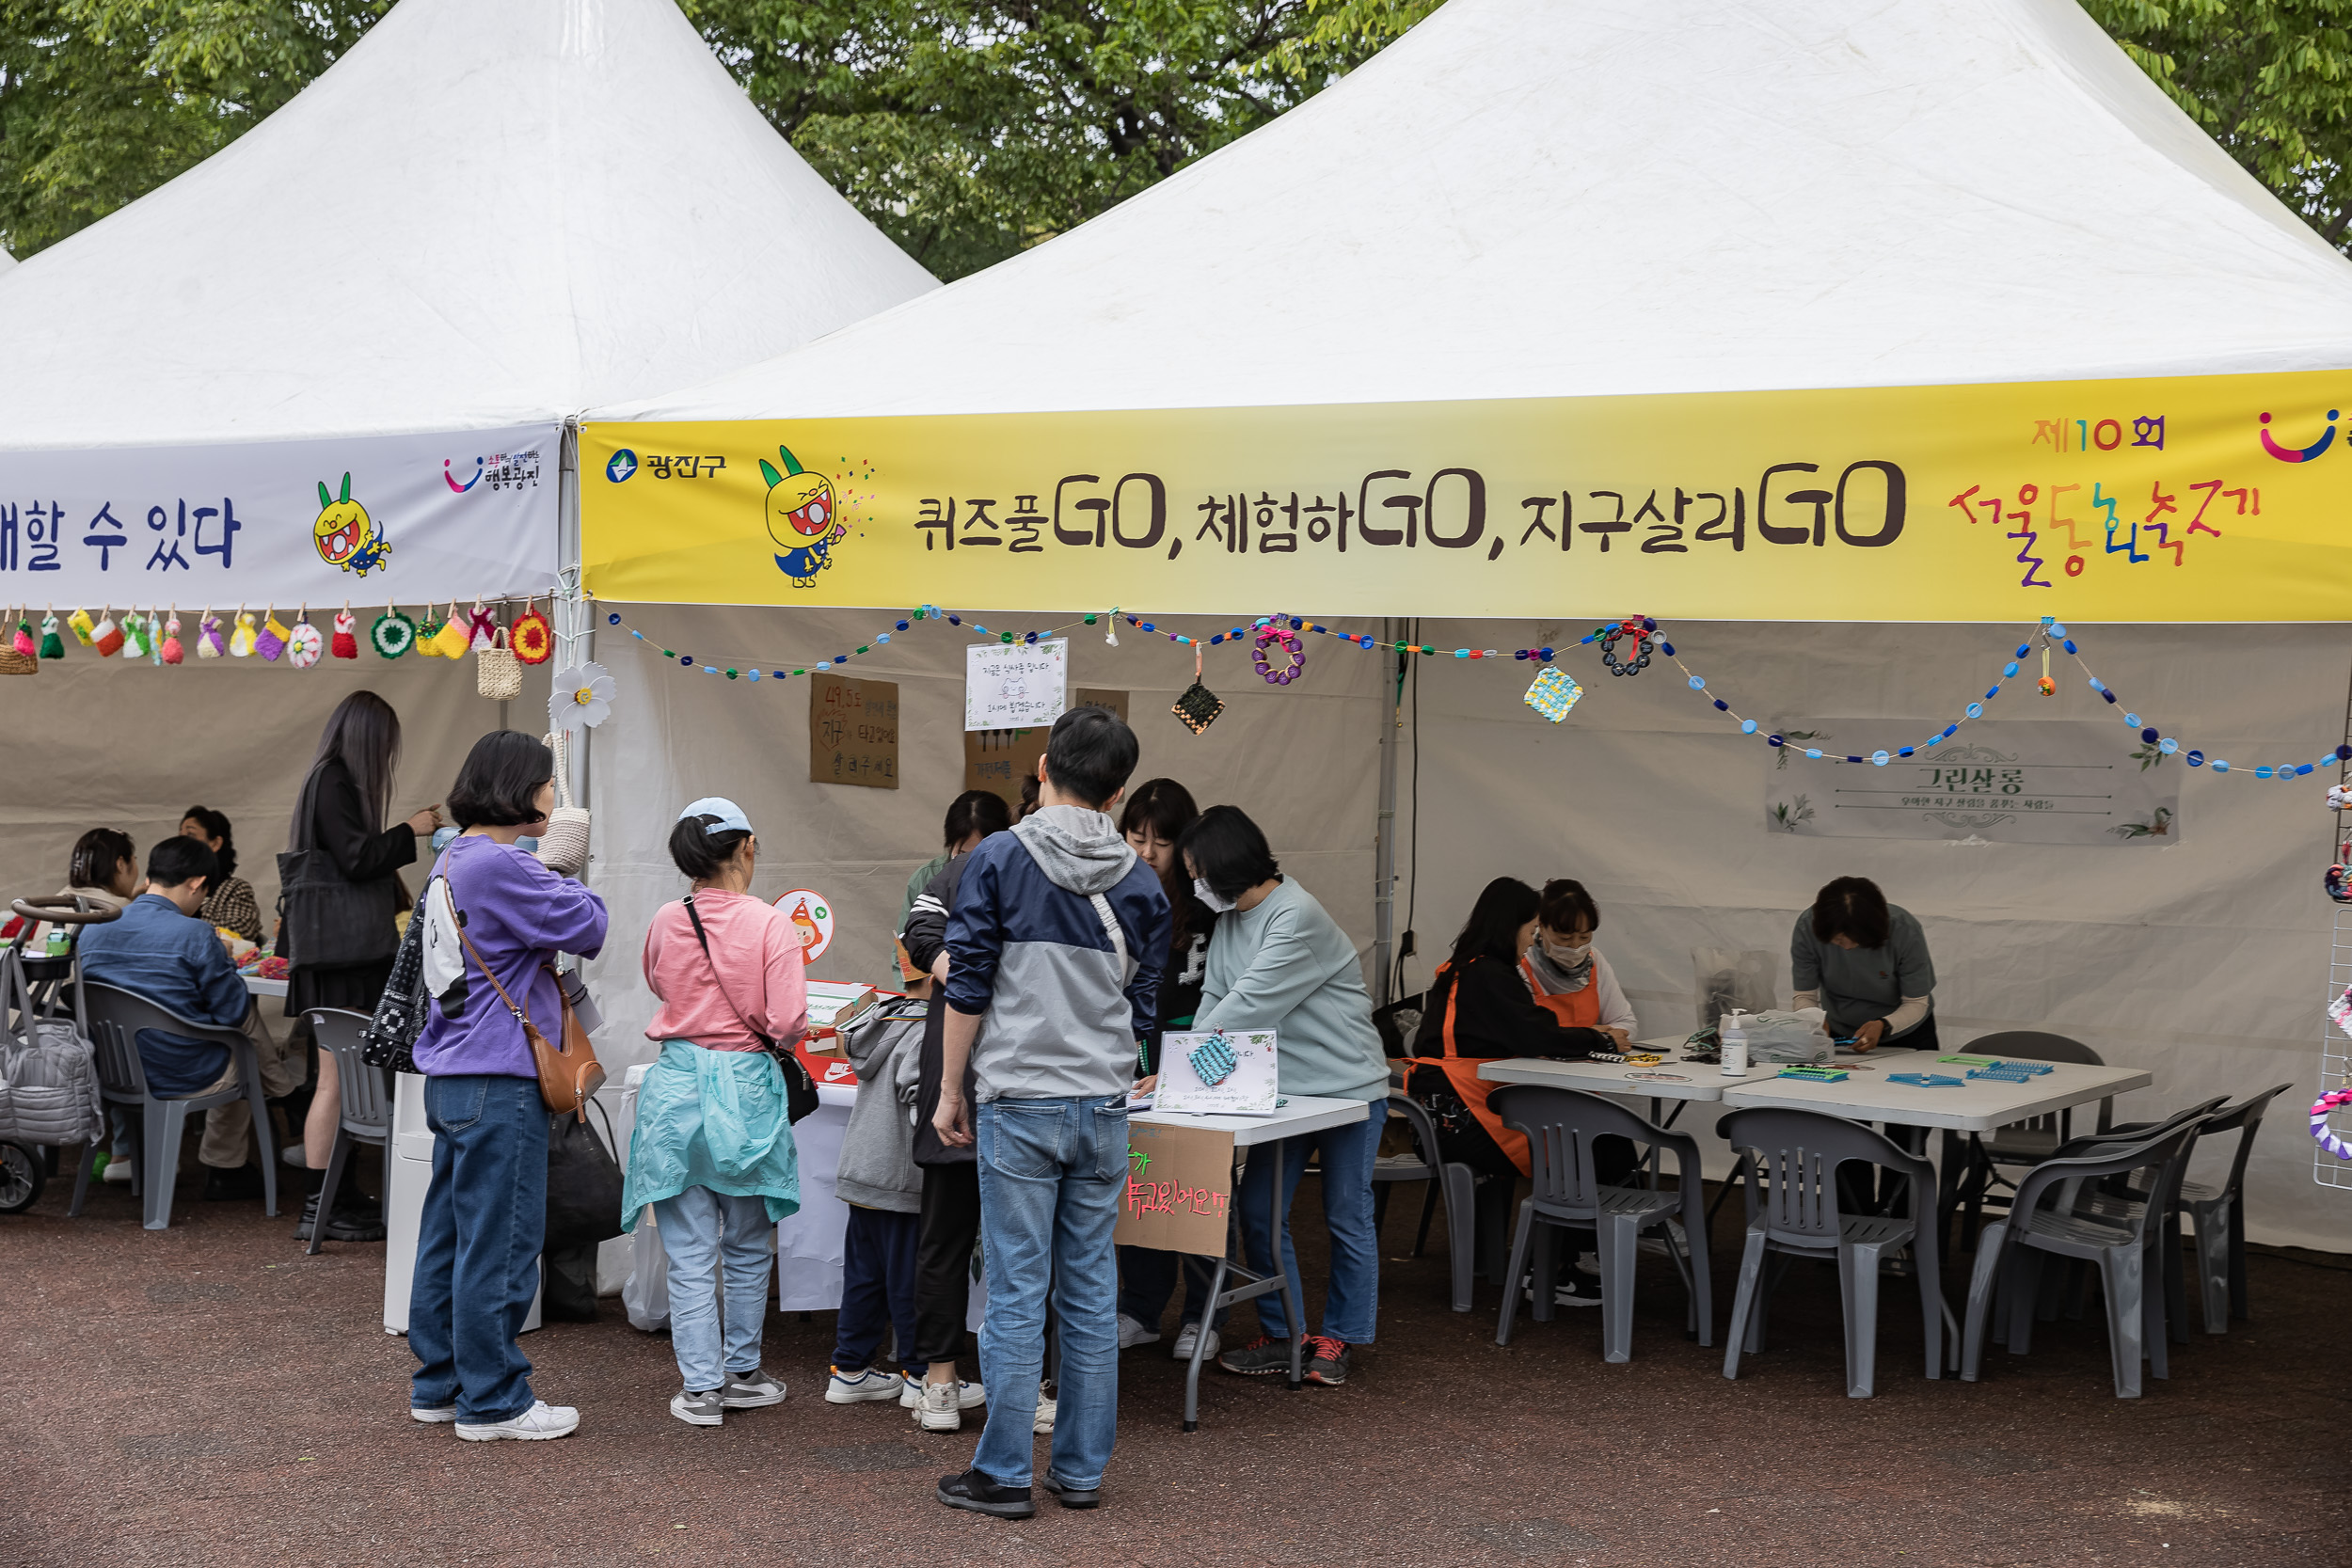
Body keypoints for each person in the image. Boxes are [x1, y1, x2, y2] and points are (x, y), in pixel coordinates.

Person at [930, 706, 1168, 1518]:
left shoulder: (997, 857)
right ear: (1119, 790)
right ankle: (1079, 1471)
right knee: (1092, 1290)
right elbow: (1145, 1007)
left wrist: (951, 1087)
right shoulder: (1142, 881)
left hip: (1018, 1100)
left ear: (1042, 767)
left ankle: (1001, 1473)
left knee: (1016, 1289)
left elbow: (966, 983)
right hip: (1101, 1107)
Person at [407, 732, 606, 1442]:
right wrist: (564, 865)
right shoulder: (497, 864)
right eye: (547, 783)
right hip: (499, 1076)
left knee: (449, 1237)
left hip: (455, 1073)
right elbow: (590, 925)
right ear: (520, 788)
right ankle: (493, 1399)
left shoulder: (454, 856)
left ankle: (440, 1383)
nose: (553, 796)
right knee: (501, 1240)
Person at [1164, 806, 1388, 1388]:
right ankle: (1284, 1332)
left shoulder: (1297, 916)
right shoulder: (1233, 914)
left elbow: (1247, 1009)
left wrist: (1176, 1072)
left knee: (1345, 1214)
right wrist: (1185, 1071)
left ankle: (1339, 1337)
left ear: (1224, 866)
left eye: (1196, 871)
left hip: (1348, 1089)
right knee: (1260, 1215)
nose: (1193, 884)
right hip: (1284, 1091)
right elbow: (1216, 996)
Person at [623, 798, 804, 1427]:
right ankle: (743, 1372)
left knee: (690, 1249)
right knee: (750, 1244)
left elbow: (656, 981)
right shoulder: (771, 924)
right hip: (748, 1088)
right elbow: (786, 1021)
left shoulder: (666, 919)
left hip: (677, 1089)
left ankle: (700, 1389)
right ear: (747, 846)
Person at [283, 691, 442, 1243]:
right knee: (333, 1079)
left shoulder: (323, 781)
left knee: (332, 1077)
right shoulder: (333, 780)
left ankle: (331, 1197)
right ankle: (322, 1202)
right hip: (345, 957)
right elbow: (356, 859)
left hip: (332, 954)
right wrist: (412, 829)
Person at [77, 836, 304, 1197]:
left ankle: (285, 1095)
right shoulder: (195, 933)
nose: (201, 904)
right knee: (240, 1045)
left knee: (232, 1039)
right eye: (204, 894)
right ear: (197, 883)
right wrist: (222, 959)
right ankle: (227, 1162)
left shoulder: (92, 929)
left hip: (110, 1069)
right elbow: (231, 1011)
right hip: (180, 1071)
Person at [896, 812, 1019, 1435]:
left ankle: (968, 1383)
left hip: (995, 1080)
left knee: (972, 1242)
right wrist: (960, 970)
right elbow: (918, 929)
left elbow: (919, 929)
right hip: (991, 1079)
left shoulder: (995, 857)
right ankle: (945, 1381)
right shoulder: (986, 858)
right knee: (986, 1241)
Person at [1112, 779, 1223, 1363]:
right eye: (1136, 839)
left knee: (1198, 1184)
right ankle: (1140, 1308)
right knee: (1144, 1181)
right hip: (1139, 1054)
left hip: (1201, 1052)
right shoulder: (1116, 892)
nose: (1147, 854)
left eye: (1160, 843)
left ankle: (1206, 1314)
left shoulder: (1209, 904)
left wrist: (1186, 1060)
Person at [824, 987, 929, 1409]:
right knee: (911, 1280)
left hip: (864, 1168)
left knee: (866, 1276)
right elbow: (921, 1096)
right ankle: (923, 1376)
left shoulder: (884, 1016)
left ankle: (850, 1370)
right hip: (903, 1174)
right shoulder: (933, 1024)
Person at [1791, 876, 1937, 1052]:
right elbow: (1804, 997)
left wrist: (1884, 1025)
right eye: (1837, 940)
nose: (1846, 948)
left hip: (1905, 1031)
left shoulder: (1904, 929)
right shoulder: (1807, 927)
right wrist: (1813, 1020)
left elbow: (1916, 1003)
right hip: (1838, 1030)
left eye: (1856, 940)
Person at [1524, 879, 1638, 1050]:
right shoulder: (1523, 965)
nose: (1575, 946)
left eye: (1584, 937)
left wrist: (1592, 1037)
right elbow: (1532, 1035)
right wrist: (1590, 1036)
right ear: (1541, 925)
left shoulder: (1595, 961)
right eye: (1565, 938)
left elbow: (1625, 1022)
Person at [898, 790, 1013, 932]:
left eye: (981, 855)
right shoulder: (925, 878)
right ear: (949, 844)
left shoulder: (1018, 878)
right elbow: (905, 944)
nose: (970, 863)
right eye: (961, 854)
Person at [179, 806, 263, 944]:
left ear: (215, 843)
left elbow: (236, 935)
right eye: (179, 835)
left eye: (190, 835)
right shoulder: (171, 886)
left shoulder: (236, 889)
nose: (180, 843)